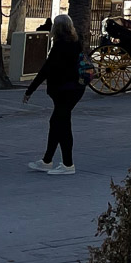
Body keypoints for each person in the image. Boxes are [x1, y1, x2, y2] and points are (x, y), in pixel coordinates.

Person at [24, 13, 85, 173]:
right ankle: (47, 160)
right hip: (75, 89)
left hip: (64, 90)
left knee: (62, 126)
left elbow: (46, 69)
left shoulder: (59, 46)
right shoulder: (76, 42)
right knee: (58, 123)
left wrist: (30, 90)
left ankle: (67, 164)